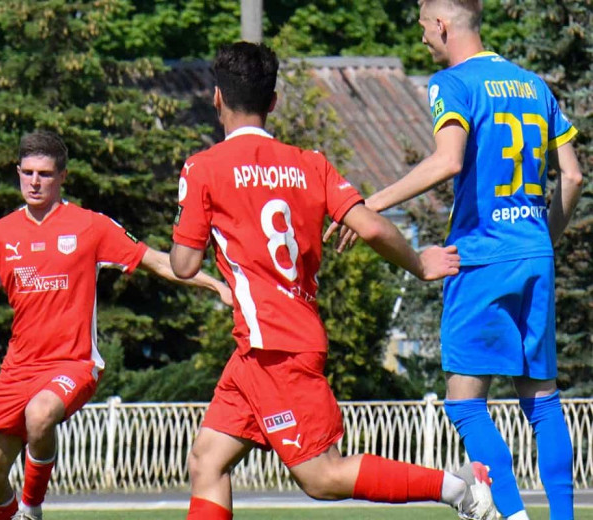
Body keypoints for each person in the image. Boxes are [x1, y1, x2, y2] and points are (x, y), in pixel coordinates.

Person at [170, 41, 497, 520]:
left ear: (217, 97)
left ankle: (458, 487)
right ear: (273, 102)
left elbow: (183, 264)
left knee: (322, 476)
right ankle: (458, 486)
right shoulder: (311, 163)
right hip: (261, 346)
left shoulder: (204, 168)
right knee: (207, 460)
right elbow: (371, 227)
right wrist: (420, 264)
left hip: (276, 347)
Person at [326, 1, 584, 519]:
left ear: (442, 26)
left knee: (465, 403)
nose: (422, 38)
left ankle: (512, 516)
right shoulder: (533, 85)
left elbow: (448, 161)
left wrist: (370, 204)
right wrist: (540, 239)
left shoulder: (452, 83)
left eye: (424, 27)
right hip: (533, 252)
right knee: (543, 401)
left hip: (481, 257)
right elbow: (573, 177)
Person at [0, 130, 232, 520]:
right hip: (18, 369)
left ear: (62, 176)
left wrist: (214, 284)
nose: (35, 182)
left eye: (45, 174)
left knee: (40, 414)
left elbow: (155, 260)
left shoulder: (89, 226)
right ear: (18, 172)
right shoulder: (0, 234)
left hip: (73, 363)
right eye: (28, 172)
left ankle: (32, 507)